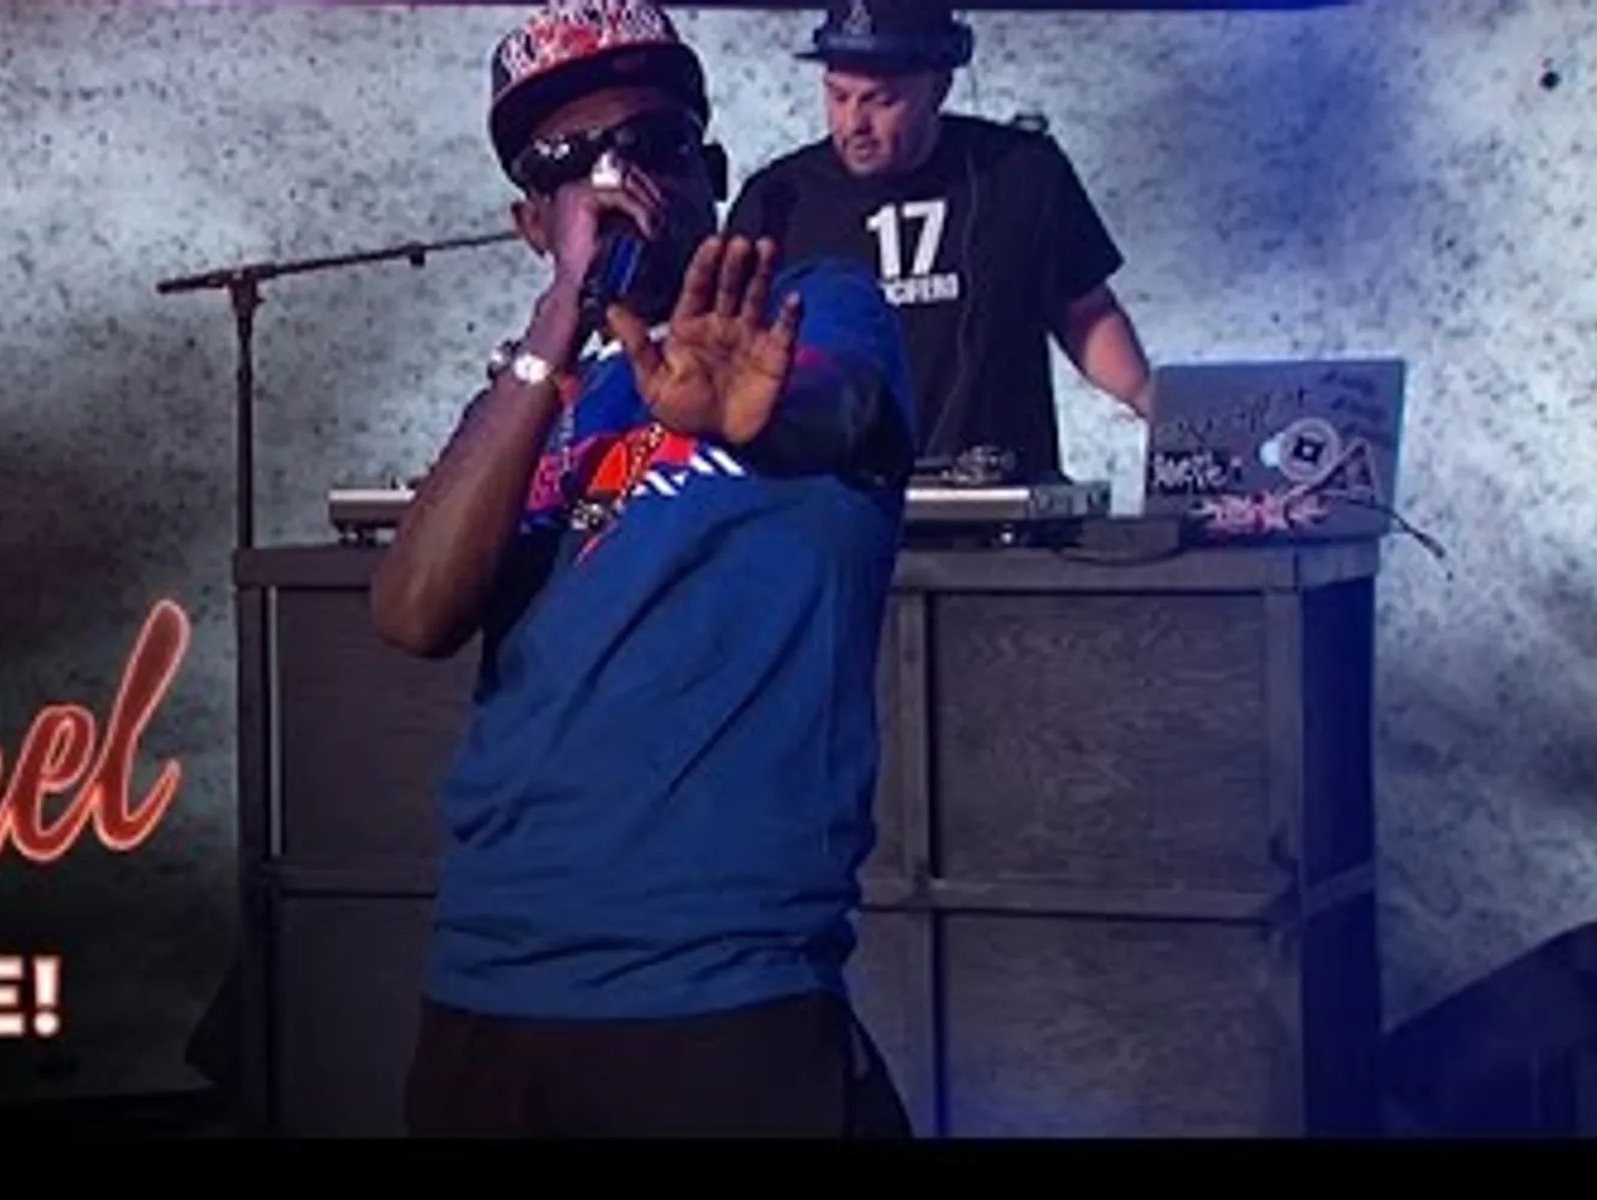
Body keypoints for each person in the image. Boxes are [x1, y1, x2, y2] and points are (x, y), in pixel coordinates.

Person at [370, 0, 918, 1138]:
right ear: (534, 221)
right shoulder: (531, 406)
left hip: (722, 991)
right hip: (487, 987)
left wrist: (756, 410)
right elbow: (414, 613)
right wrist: (558, 320)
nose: (621, 177)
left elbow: (830, 407)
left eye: (655, 142)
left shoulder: (819, 314)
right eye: (569, 162)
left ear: (709, 172)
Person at [725, 0, 1153, 483]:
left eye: (880, 101)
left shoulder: (1024, 172)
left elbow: (1085, 313)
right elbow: (729, 354)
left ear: (939, 87)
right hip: (839, 505)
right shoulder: (778, 198)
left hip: (998, 497)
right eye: (837, 96)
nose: (853, 124)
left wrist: (1150, 400)